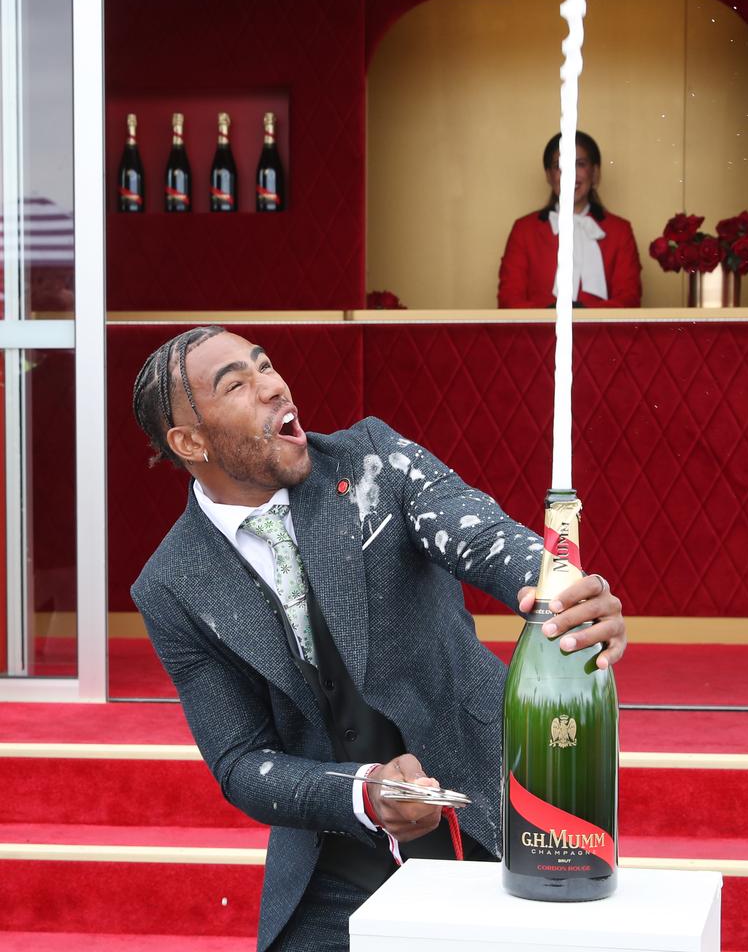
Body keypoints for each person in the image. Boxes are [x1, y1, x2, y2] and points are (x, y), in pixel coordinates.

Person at [131, 325, 627, 952]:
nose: (275, 386)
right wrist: (363, 792)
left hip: (497, 811)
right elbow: (239, 762)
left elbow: (482, 537)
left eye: (267, 366)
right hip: (336, 856)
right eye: (238, 384)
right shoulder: (171, 584)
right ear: (188, 440)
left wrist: (561, 590)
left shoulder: (372, 458)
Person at [497, 131, 642, 309]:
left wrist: (584, 316)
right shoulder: (524, 229)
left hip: (601, 335)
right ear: (549, 175)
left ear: (595, 173)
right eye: (560, 166)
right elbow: (509, 299)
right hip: (539, 335)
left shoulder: (620, 230)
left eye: (579, 164)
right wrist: (551, 318)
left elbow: (629, 299)